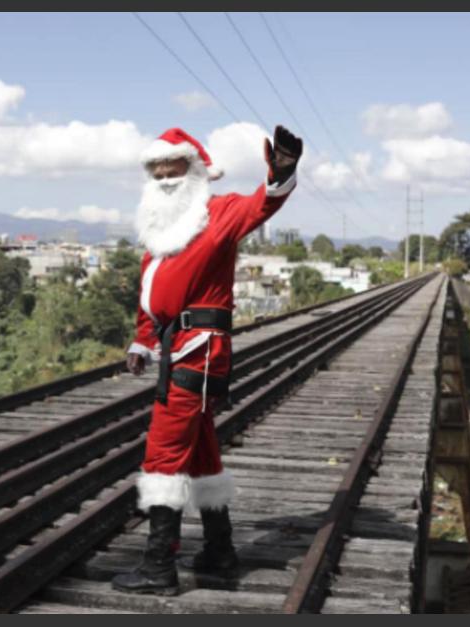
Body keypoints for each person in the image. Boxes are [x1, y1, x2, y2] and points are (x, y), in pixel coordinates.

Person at [111, 125, 302, 595]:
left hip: (198, 351)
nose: (163, 176)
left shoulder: (220, 213)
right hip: (177, 348)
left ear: (194, 169)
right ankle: (220, 550)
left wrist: (281, 172)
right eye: (155, 170)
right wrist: (142, 340)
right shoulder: (158, 233)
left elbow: (266, 202)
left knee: (164, 453)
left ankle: (159, 567)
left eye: (172, 166)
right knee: (200, 451)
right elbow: (151, 294)